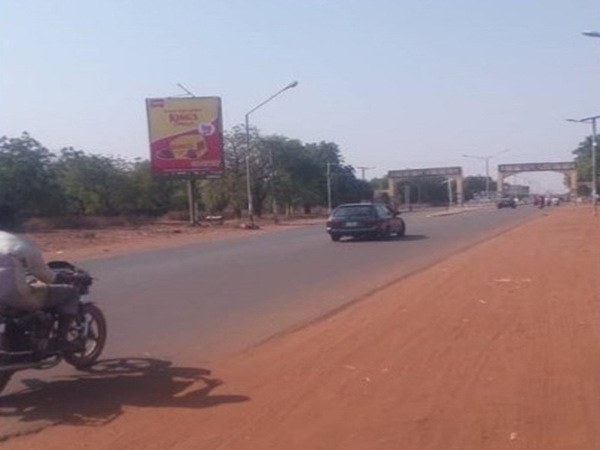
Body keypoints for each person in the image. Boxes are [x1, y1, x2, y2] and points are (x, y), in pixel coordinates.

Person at [0, 205, 82, 353]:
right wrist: (63, 278)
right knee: (70, 292)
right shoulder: (20, 243)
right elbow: (45, 276)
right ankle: (61, 341)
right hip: (12, 296)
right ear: (11, 222)